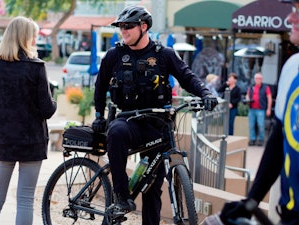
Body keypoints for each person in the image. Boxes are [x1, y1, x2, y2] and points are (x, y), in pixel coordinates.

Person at [91, 5, 218, 225]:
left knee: (153, 189)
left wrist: (205, 93)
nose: (124, 31)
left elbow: (187, 77)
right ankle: (121, 196)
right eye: (121, 27)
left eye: (128, 26)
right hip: (129, 120)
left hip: (158, 125)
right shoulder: (115, 55)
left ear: (143, 27)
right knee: (117, 132)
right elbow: (100, 86)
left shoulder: (164, 54)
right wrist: (99, 115)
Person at [218, 0, 299, 224]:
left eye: (298, 11)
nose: (291, 18)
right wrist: (251, 200)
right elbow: (278, 141)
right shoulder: (292, 68)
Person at [0, 16, 57, 225]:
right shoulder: (36, 67)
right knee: (25, 201)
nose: (35, 40)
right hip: (31, 142)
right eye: (33, 36)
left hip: (3, 141)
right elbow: (47, 110)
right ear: (26, 38)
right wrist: (54, 98)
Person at [245, 72, 272, 146]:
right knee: (251, 125)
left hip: (261, 109)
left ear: (262, 79)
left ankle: (261, 139)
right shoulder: (251, 87)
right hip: (252, 109)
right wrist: (247, 99)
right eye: (256, 78)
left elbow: (269, 98)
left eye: (259, 78)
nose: (257, 80)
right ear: (254, 79)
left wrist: (268, 109)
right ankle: (252, 139)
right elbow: (247, 95)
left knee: (261, 125)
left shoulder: (266, 87)